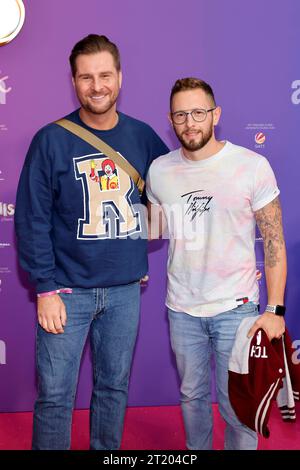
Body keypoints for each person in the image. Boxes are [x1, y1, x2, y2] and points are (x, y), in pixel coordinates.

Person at [15, 34, 168, 450]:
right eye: (86, 77)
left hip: (124, 292)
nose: (96, 86)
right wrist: (44, 289)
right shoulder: (51, 139)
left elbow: (170, 194)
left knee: (114, 389)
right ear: (74, 81)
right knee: (55, 398)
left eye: (104, 75)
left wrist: (137, 249)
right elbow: (32, 220)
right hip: (65, 292)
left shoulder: (144, 136)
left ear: (119, 77)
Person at [146, 77, 287, 450]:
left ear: (215, 114)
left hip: (236, 310)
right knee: (192, 397)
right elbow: (154, 231)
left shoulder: (251, 165)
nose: (190, 122)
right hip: (181, 308)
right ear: (170, 119)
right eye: (181, 115)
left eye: (198, 112)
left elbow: (273, 240)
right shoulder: (159, 170)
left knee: (239, 404)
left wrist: (275, 308)